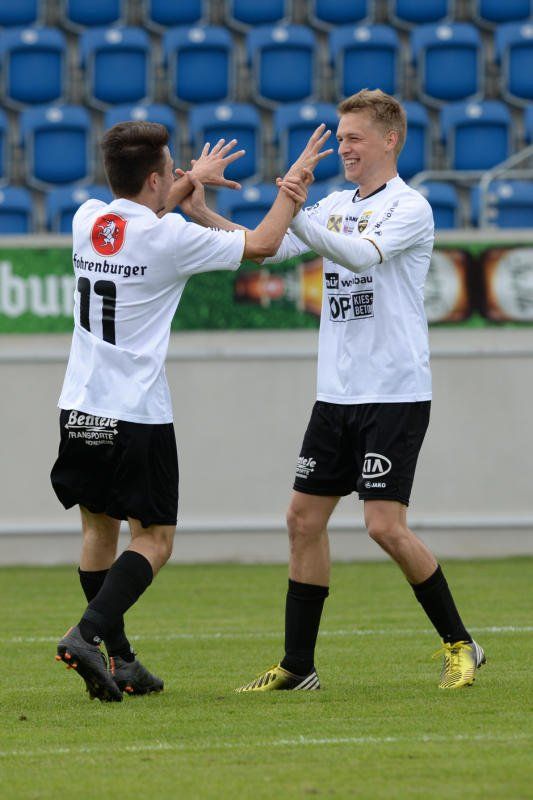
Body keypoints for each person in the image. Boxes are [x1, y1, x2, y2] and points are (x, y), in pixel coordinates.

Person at [178, 89, 486, 693]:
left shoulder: (410, 207)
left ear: (389, 140)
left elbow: (362, 257)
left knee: (384, 526)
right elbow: (267, 248)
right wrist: (203, 214)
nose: (343, 148)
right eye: (340, 138)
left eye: (354, 138)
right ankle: (298, 667)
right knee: (302, 519)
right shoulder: (335, 203)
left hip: (393, 392)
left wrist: (296, 210)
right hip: (336, 395)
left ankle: (461, 644)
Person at [50, 119, 332, 702]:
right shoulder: (171, 238)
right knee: (154, 539)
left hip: (78, 407)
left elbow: (143, 213)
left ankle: (121, 661)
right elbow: (264, 245)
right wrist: (293, 186)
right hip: (136, 415)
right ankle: (87, 635)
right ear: (157, 179)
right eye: (171, 170)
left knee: (98, 530)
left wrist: (189, 180)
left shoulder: (86, 220)